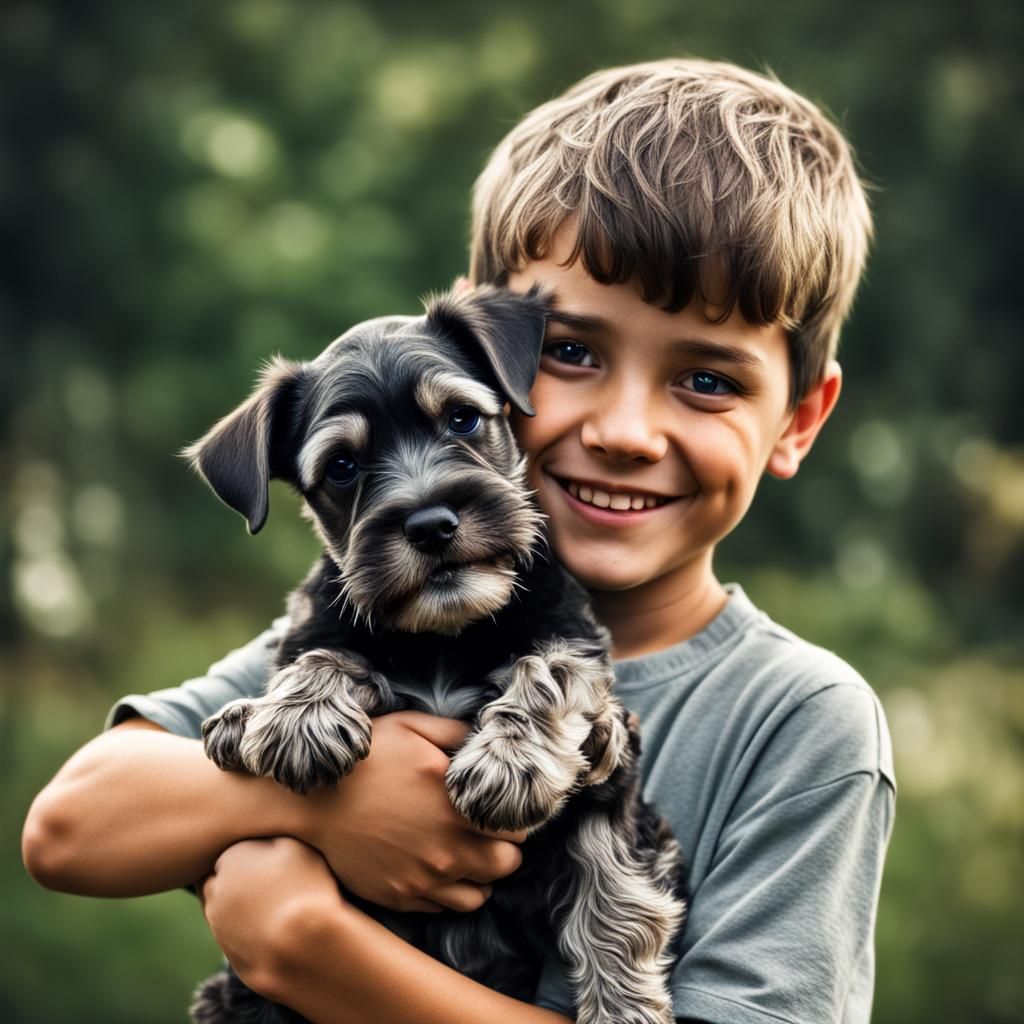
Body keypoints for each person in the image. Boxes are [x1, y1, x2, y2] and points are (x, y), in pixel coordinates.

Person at [22, 58, 895, 1024]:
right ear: (488, 341)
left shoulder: (799, 722)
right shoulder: (351, 638)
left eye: (708, 380)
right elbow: (68, 828)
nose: (625, 432)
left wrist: (312, 946)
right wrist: (304, 802)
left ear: (798, 420)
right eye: (570, 352)